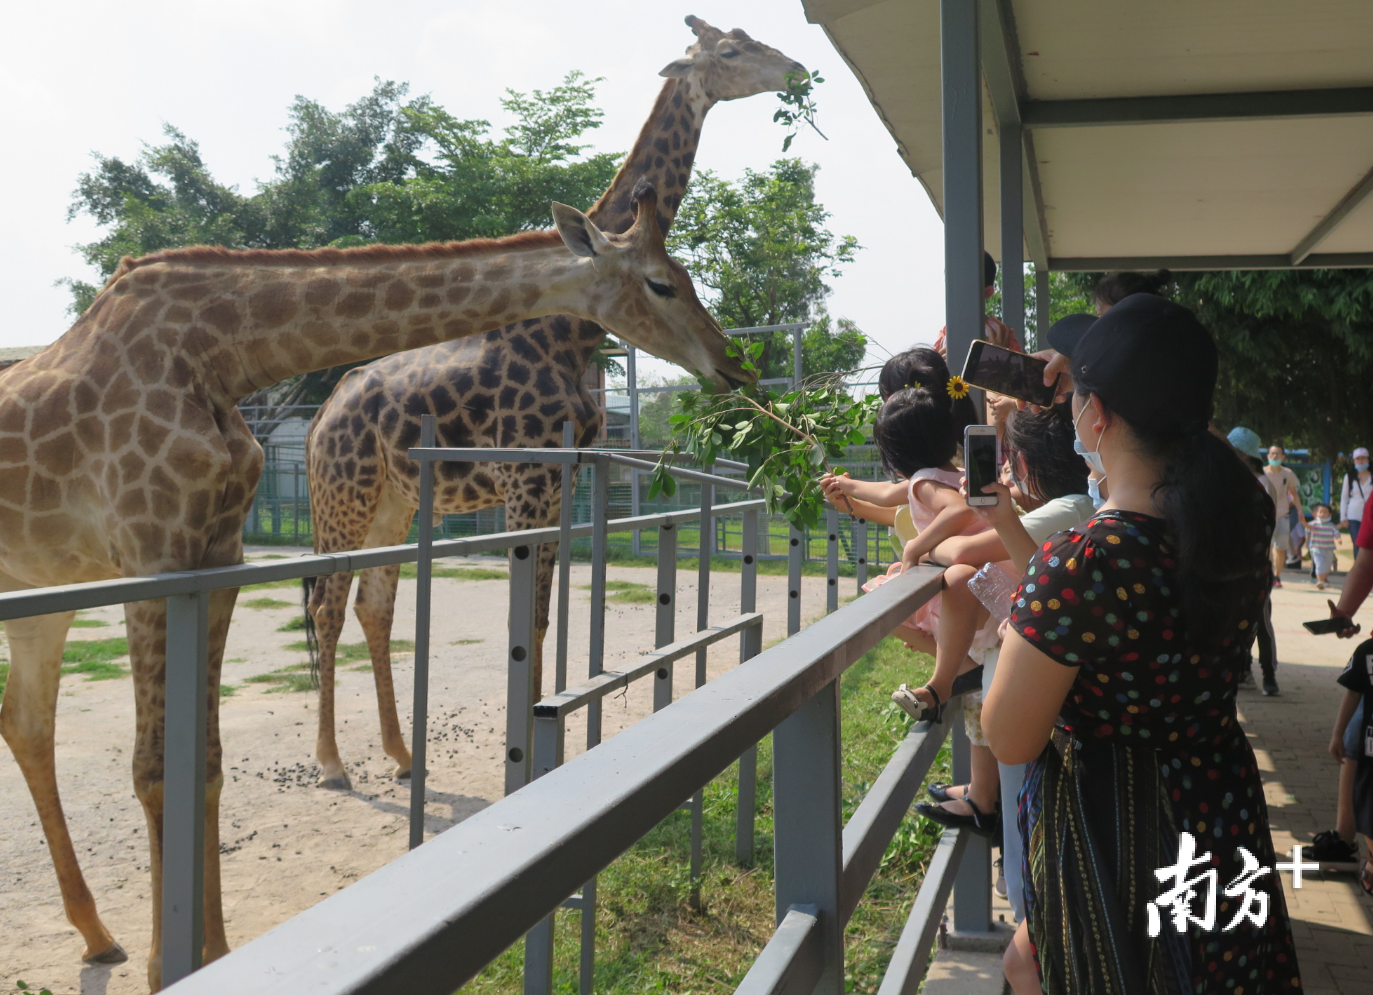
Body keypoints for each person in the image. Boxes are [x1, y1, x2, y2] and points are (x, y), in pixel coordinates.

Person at [982, 294, 1300, 994]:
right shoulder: (1237, 527)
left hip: (1119, 830)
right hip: (1216, 806)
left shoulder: (1086, 561)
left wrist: (1019, 636)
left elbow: (1007, 735)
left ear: (1094, 416)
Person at [1227, 426, 1281, 696]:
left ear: (1244, 455)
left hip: (1257, 564)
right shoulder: (1238, 481)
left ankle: (1269, 674)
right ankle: (1243, 670)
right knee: (1239, 619)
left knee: (1262, 621)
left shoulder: (1261, 484)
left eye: (1232, 451)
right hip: (1238, 562)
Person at [1329, 638, 1373, 894]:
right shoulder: (1367, 652)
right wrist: (1338, 734)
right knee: (1368, 817)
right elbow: (1353, 692)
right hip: (1369, 755)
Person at [1264, 444, 1302, 587]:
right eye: (1272, 453)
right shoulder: (1262, 473)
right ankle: (1264, 575)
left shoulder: (1288, 473)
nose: (1275, 456)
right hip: (1264, 516)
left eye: (1278, 453)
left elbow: (1294, 494)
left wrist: (1299, 511)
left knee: (1280, 548)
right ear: (1268, 456)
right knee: (1266, 548)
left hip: (1282, 515)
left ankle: (1276, 576)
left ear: (1283, 456)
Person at [1341, 447, 1371, 561]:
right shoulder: (1349, 477)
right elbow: (1344, 498)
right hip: (1354, 514)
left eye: (1363, 458)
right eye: (1358, 459)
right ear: (1354, 461)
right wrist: (1343, 517)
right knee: (1358, 543)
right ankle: (1359, 571)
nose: (1361, 461)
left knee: (1369, 545)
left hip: (1370, 515)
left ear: (1368, 460)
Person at [1309, 503, 1339, 590]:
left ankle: (1324, 579)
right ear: (1316, 513)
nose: (1322, 514)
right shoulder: (1313, 524)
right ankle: (1320, 581)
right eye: (1320, 512)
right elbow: (1307, 526)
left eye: (1325, 512)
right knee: (1319, 564)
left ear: (1329, 515)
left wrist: (1338, 539)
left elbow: (1336, 533)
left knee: (1327, 565)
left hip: (1329, 550)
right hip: (1316, 549)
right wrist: (1303, 521)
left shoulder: (1331, 525)